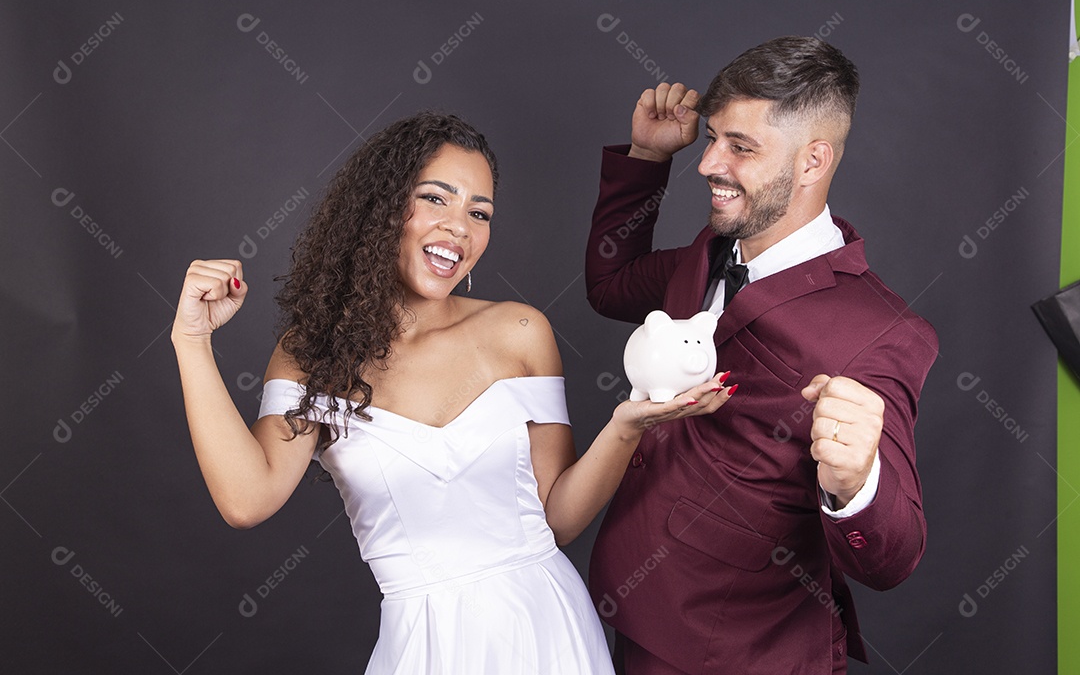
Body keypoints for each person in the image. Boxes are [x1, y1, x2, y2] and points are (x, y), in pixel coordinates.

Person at [170, 111, 734, 674]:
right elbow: (246, 501)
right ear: (382, 207)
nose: (460, 227)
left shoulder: (519, 331)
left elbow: (555, 520)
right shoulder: (315, 354)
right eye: (436, 199)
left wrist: (626, 426)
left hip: (548, 630)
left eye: (479, 212)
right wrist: (192, 341)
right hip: (424, 645)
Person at [584, 37, 938, 674]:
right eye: (713, 136)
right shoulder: (711, 249)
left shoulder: (884, 332)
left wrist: (859, 483)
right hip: (635, 608)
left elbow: (892, 560)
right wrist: (645, 159)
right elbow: (612, 284)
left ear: (812, 162)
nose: (708, 162)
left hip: (744, 650)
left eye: (740, 147)